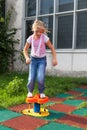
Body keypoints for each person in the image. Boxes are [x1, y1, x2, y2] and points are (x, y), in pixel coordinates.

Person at [23, 20, 58, 98]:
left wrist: (54, 59)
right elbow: (25, 49)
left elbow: (52, 48)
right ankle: (30, 91)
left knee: (40, 77)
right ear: (33, 30)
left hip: (42, 60)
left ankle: (41, 91)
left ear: (42, 31)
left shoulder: (44, 38)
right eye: (36, 31)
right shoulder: (30, 39)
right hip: (33, 60)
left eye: (40, 32)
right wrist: (27, 58)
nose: (38, 33)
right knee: (31, 78)